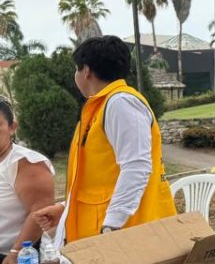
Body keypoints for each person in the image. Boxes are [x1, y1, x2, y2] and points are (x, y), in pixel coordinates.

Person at [33, 36, 175, 246]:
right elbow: (98, 177)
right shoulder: (100, 107)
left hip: (122, 235)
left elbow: (137, 166)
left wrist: (111, 226)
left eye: (76, 69)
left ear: (86, 70)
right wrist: (65, 208)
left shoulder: (121, 103)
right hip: (100, 232)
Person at [0, 101, 54, 264]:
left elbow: (40, 212)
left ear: (12, 127)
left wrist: (15, 254)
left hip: (17, 255)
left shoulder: (26, 163)